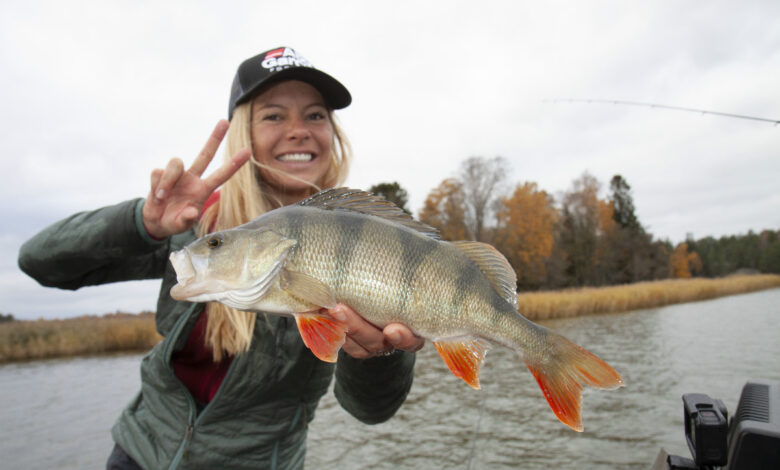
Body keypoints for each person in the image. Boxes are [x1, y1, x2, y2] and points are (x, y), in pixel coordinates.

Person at [18, 46, 424, 470]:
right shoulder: (193, 222)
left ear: (333, 133)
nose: (298, 130)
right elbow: (39, 262)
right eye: (274, 115)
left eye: (315, 115)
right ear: (242, 135)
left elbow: (371, 411)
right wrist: (144, 222)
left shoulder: (367, 244)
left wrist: (380, 354)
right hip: (140, 456)